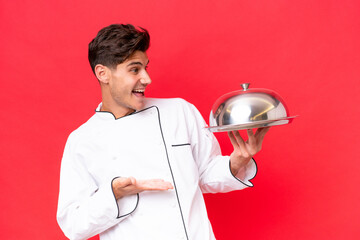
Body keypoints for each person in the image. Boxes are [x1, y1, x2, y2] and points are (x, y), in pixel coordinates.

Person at [56, 24, 270, 240]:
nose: (147, 78)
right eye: (134, 69)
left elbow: (205, 174)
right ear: (103, 74)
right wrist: (114, 194)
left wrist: (238, 161)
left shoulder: (179, 111)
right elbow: (73, 225)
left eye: (146, 68)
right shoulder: (82, 140)